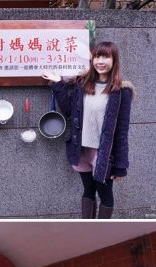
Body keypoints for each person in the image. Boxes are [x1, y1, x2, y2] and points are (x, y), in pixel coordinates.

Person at [43, 41, 133, 219]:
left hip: (103, 154)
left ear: (114, 60)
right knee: (88, 191)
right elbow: (69, 110)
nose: (101, 61)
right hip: (81, 149)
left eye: (106, 57)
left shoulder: (122, 91)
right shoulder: (83, 85)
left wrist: (120, 166)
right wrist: (58, 84)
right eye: (97, 56)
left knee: (105, 196)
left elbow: (122, 131)